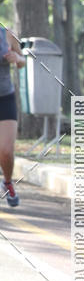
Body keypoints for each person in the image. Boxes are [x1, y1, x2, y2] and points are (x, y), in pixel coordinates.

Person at [0, 25, 26, 207]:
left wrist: (17, 58)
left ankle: (7, 182)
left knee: (7, 151)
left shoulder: (7, 34)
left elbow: (22, 61)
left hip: (5, 97)